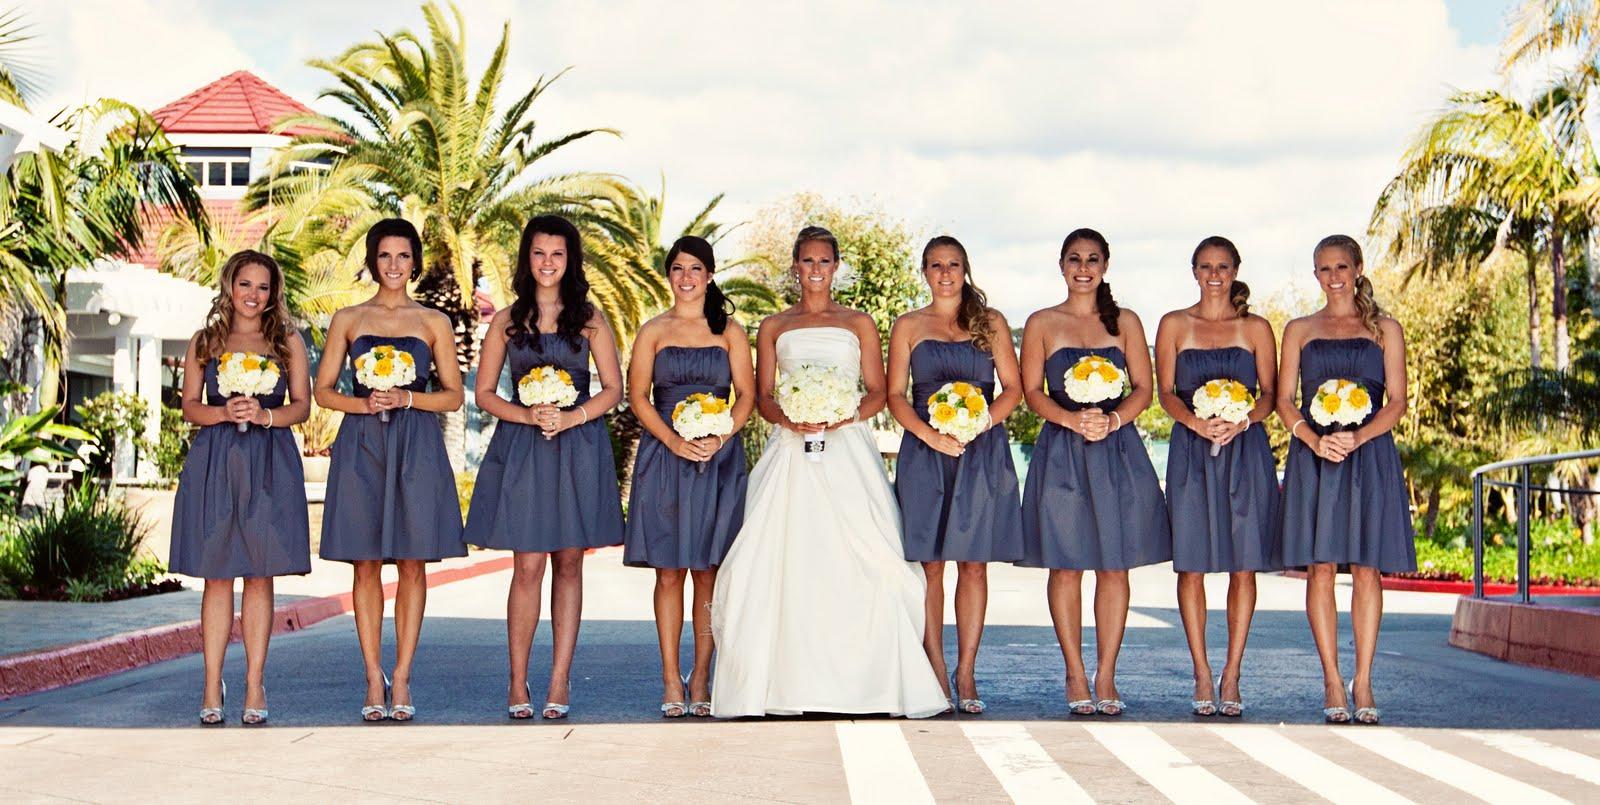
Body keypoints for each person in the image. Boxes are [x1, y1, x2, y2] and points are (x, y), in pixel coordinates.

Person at [711, 226, 948, 719]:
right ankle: (785, 683)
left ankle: (866, 683)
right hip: (792, 451)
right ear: (795, 267)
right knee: (788, 556)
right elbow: (765, 399)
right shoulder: (774, 325)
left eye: (824, 261)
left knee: (868, 555)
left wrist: (843, 414)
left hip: (847, 448)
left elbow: (879, 392)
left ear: (836, 266)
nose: (816, 270)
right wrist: (793, 418)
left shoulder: (859, 322)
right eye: (807, 261)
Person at [463, 214, 625, 720]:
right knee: (528, 563)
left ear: (570, 260)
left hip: (578, 447)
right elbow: (485, 393)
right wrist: (528, 414)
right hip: (524, 447)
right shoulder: (507, 320)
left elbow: (614, 389)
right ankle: (517, 680)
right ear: (526, 259)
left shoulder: (591, 318)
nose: (548, 263)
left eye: (557, 254)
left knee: (570, 561)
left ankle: (559, 678)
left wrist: (574, 415)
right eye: (538, 253)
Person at [316, 218, 466, 723]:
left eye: (403, 256)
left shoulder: (433, 322)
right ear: (372, 260)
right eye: (385, 256)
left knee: (411, 561)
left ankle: (402, 674)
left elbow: (454, 395)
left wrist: (407, 396)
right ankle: (372, 675)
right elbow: (323, 390)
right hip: (362, 444)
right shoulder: (348, 319)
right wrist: (364, 406)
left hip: (416, 443)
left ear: (415, 262)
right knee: (364, 561)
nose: (394, 266)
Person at [1018, 227, 1170, 716]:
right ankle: (1074, 671)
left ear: (1105, 265)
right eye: (1074, 259)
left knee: (1114, 563)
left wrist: (1113, 419)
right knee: (1066, 562)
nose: (1083, 268)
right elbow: (1032, 392)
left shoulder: (1125, 321)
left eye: (1092, 259)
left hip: (1116, 449)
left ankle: (1106, 672)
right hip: (1062, 449)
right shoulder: (1041, 322)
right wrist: (1071, 419)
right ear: (1060, 265)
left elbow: (1145, 388)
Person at [170, 250, 311, 725]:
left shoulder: (287, 341)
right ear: (230, 286)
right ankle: (212, 682)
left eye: (263, 287)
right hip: (216, 460)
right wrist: (224, 412)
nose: (254, 295)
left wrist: (266, 415)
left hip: (270, 461)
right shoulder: (205, 341)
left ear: (274, 293)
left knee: (259, 572)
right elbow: (189, 405)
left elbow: (302, 407)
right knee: (216, 574)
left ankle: (254, 682)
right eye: (245, 284)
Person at [1277, 234, 1413, 725]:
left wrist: (1358, 437)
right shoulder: (1298, 329)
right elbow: (1283, 400)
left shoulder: (1387, 330)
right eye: (1322, 269)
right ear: (1315, 274)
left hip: (1368, 455)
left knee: (1366, 569)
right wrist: (1315, 441)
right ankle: (1332, 678)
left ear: (1357, 268)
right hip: (1315, 456)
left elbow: (1396, 401)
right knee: (1320, 567)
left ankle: (1364, 679)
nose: (1332, 277)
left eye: (1340, 267)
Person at [885, 235, 1024, 714]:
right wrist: (930, 435)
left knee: (973, 562)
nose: (945, 273)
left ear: (966, 269)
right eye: (936, 265)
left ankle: (966, 669)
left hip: (980, 450)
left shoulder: (992, 324)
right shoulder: (907, 325)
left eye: (954, 264)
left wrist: (978, 423)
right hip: (926, 452)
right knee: (930, 564)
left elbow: (1013, 389)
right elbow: (895, 396)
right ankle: (934, 666)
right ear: (924, 271)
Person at [623, 235, 755, 718]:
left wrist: (719, 437)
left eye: (695, 268)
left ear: (710, 275)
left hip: (718, 461)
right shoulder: (652, 330)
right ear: (669, 274)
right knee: (668, 572)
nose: (686, 277)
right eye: (678, 268)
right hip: (665, 458)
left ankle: (701, 674)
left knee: (708, 572)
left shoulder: (731, 332)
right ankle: (669, 677)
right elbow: (638, 396)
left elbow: (746, 395)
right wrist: (675, 441)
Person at [1153, 235, 1281, 717]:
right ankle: (1202, 671)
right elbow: (1163, 392)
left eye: (1223, 266)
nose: (1214, 275)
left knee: (1242, 563)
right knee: (1191, 563)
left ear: (1234, 271)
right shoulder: (1173, 324)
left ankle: (1232, 672)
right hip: (1191, 449)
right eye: (1206, 266)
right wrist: (1194, 421)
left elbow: (1270, 394)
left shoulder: (1256, 328)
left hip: (1245, 450)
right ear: (1194, 270)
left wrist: (1243, 420)